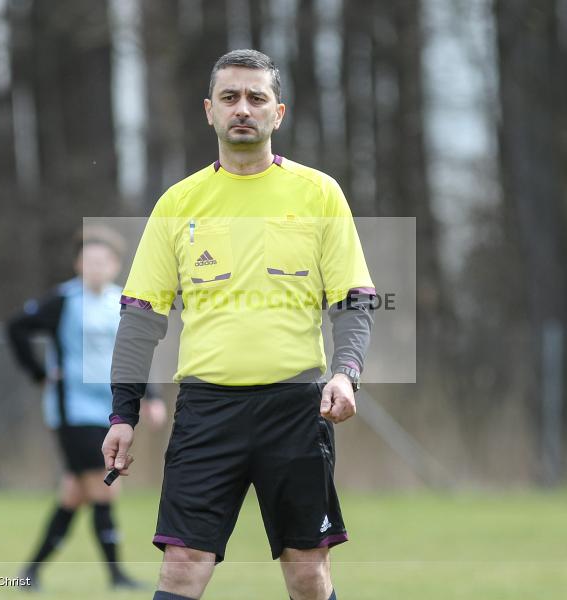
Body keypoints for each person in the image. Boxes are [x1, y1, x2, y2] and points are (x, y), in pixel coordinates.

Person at [102, 49, 376, 600]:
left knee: (308, 573)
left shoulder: (319, 193)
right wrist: (123, 413)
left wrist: (346, 374)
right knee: (181, 567)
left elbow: (352, 300)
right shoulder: (178, 202)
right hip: (207, 412)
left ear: (280, 112)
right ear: (210, 111)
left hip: (296, 408)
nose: (242, 109)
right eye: (230, 98)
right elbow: (139, 320)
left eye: (256, 98)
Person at [6, 226, 167, 592]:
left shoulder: (122, 301)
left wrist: (152, 396)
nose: (95, 267)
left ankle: (29, 573)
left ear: (115, 265)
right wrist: (39, 373)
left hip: (110, 410)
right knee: (104, 486)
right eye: (88, 260)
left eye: (103, 261)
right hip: (72, 412)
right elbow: (15, 327)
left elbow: (134, 354)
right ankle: (116, 576)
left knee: (75, 494)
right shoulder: (63, 300)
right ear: (77, 264)